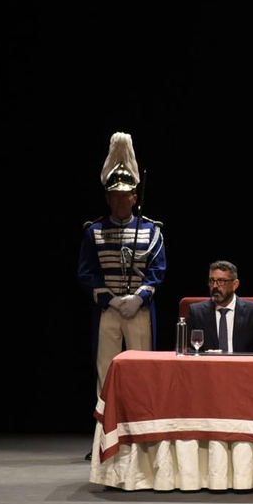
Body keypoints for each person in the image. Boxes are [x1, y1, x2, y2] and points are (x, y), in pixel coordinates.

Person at [79, 132, 166, 394]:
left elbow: (157, 270)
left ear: (134, 197)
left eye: (125, 194)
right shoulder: (93, 231)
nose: (119, 200)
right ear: (107, 197)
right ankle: (106, 430)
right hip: (108, 309)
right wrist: (112, 300)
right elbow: (86, 273)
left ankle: (140, 430)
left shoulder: (152, 231)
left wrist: (138, 299)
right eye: (114, 194)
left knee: (142, 370)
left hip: (138, 310)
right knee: (105, 370)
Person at [186, 261, 253, 353]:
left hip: (243, 366)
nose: (215, 286)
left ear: (235, 284)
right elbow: (185, 348)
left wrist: (247, 360)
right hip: (208, 366)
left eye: (221, 281)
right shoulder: (196, 312)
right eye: (211, 281)